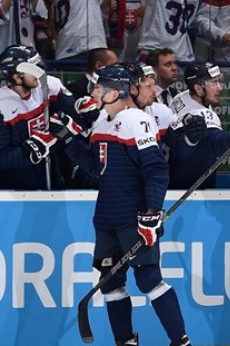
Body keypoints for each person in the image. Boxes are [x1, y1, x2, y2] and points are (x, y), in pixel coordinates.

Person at [64, 64, 192, 346]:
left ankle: (180, 341)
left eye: (98, 88)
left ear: (114, 91)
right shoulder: (100, 122)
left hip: (132, 216)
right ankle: (126, 341)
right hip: (107, 217)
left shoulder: (136, 119)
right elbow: (97, 170)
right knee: (111, 284)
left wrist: (152, 212)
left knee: (149, 279)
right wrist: (69, 141)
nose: (94, 92)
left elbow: (156, 169)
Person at [164, 62, 230, 188]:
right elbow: (219, 143)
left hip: (174, 179)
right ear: (198, 88)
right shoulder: (201, 113)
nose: (220, 87)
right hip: (193, 187)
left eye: (219, 81)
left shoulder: (182, 97)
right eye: (214, 83)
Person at [0, 45, 74, 190]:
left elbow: (73, 116)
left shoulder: (48, 86)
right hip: (16, 185)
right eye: (32, 69)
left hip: (50, 172)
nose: (40, 72)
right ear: (16, 77)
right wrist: (32, 150)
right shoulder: (2, 105)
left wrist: (71, 118)